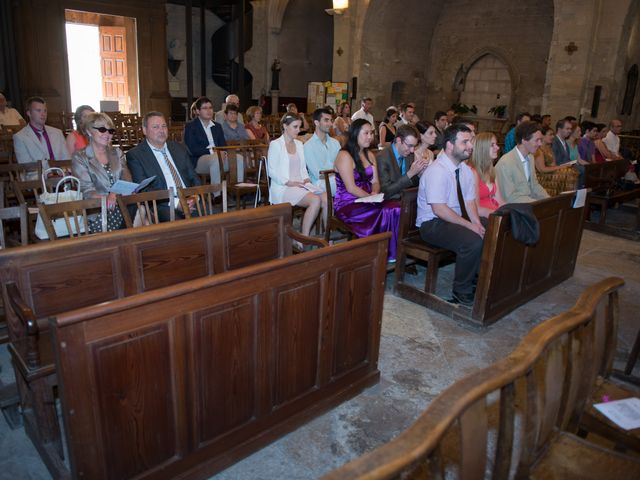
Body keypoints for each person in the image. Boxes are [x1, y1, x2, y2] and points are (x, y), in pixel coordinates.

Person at [417, 124, 485, 306]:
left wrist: (477, 224)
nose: (470, 146)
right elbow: (439, 209)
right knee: (472, 241)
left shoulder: (465, 170)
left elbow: (470, 202)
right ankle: (461, 291)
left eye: (470, 141)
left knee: (489, 228)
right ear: (449, 145)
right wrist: (470, 227)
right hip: (432, 224)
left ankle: (480, 280)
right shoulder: (437, 171)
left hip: (452, 219)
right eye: (464, 142)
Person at [333, 119, 401, 260]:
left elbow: (375, 181)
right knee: (384, 210)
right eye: (366, 133)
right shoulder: (344, 155)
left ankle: (390, 251)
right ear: (355, 134)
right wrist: (370, 199)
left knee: (397, 208)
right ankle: (373, 252)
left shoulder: (369, 154)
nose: (370, 136)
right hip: (348, 202)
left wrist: (375, 192)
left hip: (368, 197)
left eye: (371, 133)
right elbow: (351, 188)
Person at [127, 111, 200, 221]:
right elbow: (143, 189)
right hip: (162, 204)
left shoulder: (178, 148)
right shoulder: (136, 155)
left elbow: (194, 177)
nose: (161, 130)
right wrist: (176, 203)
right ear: (144, 130)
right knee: (179, 226)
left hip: (190, 199)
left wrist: (194, 197)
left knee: (217, 218)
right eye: (156, 127)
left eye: (164, 126)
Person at [267, 113, 327, 238]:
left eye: (299, 127)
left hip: (300, 184)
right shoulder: (276, 144)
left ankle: (326, 235)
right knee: (315, 200)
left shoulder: (299, 144)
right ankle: (303, 238)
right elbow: (271, 171)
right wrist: (288, 182)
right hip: (284, 187)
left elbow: (302, 167)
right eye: (295, 127)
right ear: (285, 126)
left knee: (326, 197)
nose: (298, 130)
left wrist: (306, 179)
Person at [71, 112, 130, 233]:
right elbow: (86, 190)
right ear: (89, 132)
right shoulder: (80, 157)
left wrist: (115, 194)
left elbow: (127, 178)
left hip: (123, 204)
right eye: (102, 129)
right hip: (97, 210)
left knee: (145, 216)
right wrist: (108, 198)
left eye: (110, 131)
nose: (107, 134)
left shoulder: (117, 152)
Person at [183, 96, 241, 195]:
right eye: (205, 108)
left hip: (218, 157)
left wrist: (223, 152)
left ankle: (239, 191)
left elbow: (223, 145)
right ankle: (216, 194)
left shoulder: (217, 126)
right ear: (197, 111)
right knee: (215, 159)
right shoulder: (190, 126)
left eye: (210, 108)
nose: (209, 111)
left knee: (239, 158)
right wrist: (214, 152)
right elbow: (192, 149)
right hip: (199, 160)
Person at [495, 121, 549, 203]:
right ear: (524, 141)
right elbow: (510, 197)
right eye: (537, 140)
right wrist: (535, 204)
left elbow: (534, 186)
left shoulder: (530, 157)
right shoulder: (505, 163)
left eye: (541, 140)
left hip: (527, 204)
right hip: (514, 209)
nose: (540, 144)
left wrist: (549, 200)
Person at [13, 96, 68, 170]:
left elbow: (67, 160)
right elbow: (26, 167)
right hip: (36, 178)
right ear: (29, 113)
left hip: (61, 176)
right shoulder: (20, 137)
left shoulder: (57, 133)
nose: (43, 114)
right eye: (38, 110)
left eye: (45, 111)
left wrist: (64, 174)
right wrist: (48, 176)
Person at [377, 124, 428, 200]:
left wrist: (420, 174)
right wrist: (410, 173)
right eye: (410, 145)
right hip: (390, 203)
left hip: (406, 199)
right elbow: (385, 192)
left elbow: (410, 183)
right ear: (398, 140)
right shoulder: (382, 157)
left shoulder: (409, 154)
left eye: (414, 146)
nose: (412, 150)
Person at [304, 107, 341, 194]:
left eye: (331, 120)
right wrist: (338, 173)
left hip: (336, 180)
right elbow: (319, 175)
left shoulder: (335, 143)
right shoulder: (308, 146)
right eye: (326, 120)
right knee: (347, 183)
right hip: (319, 185)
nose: (330, 124)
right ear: (316, 122)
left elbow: (342, 164)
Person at [468, 132, 504, 217]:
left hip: (494, 212)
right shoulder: (472, 172)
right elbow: (476, 209)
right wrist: (498, 217)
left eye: (496, 144)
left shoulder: (492, 170)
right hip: (482, 217)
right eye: (492, 145)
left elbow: (499, 200)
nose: (498, 148)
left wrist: (511, 211)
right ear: (482, 148)